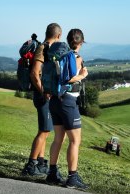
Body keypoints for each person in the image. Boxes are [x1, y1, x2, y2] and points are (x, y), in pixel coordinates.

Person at [46, 29, 89, 190]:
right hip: (68, 102)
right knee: (75, 140)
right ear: (81, 42)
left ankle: (52, 173)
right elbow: (69, 78)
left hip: (55, 101)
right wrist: (82, 75)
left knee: (58, 139)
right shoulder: (76, 57)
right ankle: (72, 177)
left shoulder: (60, 55)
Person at [22, 23, 62, 176]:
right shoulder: (43, 49)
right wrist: (43, 91)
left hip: (44, 95)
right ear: (58, 35)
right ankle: (30, 166)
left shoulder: (46, 48)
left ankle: (41, 163)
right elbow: (34, 73)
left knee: (46, 130)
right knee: (44, 131)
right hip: (42, 95)